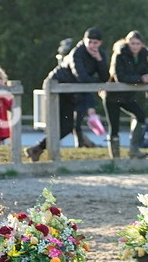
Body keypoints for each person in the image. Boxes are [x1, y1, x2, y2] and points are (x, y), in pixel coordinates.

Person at [25, 27, 109, 162]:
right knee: (57, 124)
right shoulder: (77, 53)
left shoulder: (100, 54)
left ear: (100, 43)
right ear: (84, 40)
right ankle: (43, 152)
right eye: (90, 42)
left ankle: (37, 148)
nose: (93, 45)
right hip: (56, 87)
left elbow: (105, 77)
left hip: (70, 92)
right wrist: (97, 83)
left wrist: (99, 60)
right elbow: (81, 77)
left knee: (67, 126)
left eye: (96, 42)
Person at [105, 30, 148, 159]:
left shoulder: (144, 55)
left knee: (140, 116)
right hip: (112, 96)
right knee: (114, 127)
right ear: (127, 43)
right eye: (132, 43)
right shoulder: (119, 54)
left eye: (138, 43)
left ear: (142, 44)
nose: (135, 46)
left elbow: (146, 72)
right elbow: (120, 77)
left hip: (127, 96)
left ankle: (134, 149)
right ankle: (115, 159)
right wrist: (140, 78)